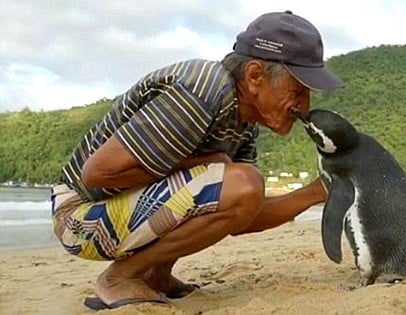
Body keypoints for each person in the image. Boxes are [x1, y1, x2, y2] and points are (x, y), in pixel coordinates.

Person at [51, 10, 343, 309]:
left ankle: (156, 274)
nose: (305, 106)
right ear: (255, 76)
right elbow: (97, 174)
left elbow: (241, 213)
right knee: (239, 178)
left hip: (115, 211)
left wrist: (316, 192)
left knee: (240, 182)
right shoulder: (201, 89)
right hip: (79, 217)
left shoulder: (243, 124)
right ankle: (120, 277)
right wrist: (206, 164)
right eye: (298, 90)